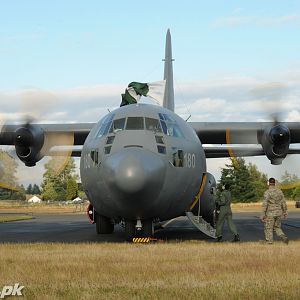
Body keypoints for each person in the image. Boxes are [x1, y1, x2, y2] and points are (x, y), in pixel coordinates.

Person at [261, 177, 288, 244]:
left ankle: (269, 242)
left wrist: (263, 214)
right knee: (277, 227)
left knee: (268, 228)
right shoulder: (280, 191)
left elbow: (265, 204)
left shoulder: (267, 192)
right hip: (279, 213)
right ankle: (283, 237)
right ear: (275, 183)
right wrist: (285, 212)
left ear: (268, 183)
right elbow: (283, 202)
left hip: (270, 213)